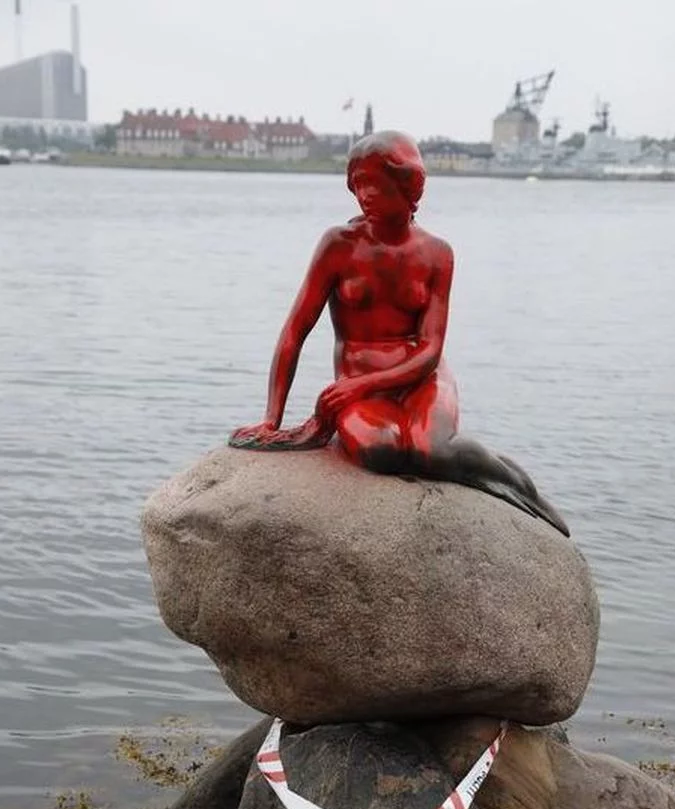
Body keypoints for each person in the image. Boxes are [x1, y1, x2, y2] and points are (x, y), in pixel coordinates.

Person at [230, 130, 569, 536]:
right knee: (381, 451)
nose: (364, 195)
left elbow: (430, 349)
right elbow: (294, 332)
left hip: (421, 377)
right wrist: (271, 419)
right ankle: (470, 470)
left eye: (375, 184)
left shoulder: (437, 253)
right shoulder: (339, 245)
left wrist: (358, 386)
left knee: (432, 450)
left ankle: (518, 486)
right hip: (360, 383)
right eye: (357, 184)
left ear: (409, 185)